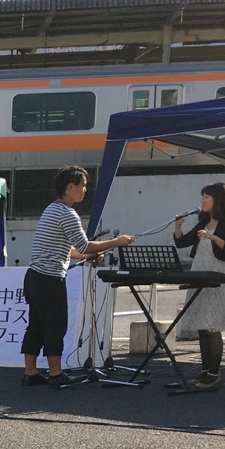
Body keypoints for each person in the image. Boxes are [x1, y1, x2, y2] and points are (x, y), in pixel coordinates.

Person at [22, 166, 134, 388]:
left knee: (36, 325)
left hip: (34, 277)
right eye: (82, 185)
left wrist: (89, 255)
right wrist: (116, 242)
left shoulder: (51, 209)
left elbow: (70, 250)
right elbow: (84, 245)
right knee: (55, 326)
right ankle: (56, 374)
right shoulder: (67, 213)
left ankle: (30, 373)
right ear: (69, 187)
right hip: (50, 279)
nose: (85, 190)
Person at [172, 182, 225, 391]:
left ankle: (214, 374)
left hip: (218, 275)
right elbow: (182, 242)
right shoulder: (203, 222)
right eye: (202, 197)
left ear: (218, 200)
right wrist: (178, 226)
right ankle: (204, 371)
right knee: (202, 326)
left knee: (212, 326)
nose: (203, 201)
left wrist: (213, 237)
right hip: (200, 274)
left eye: (207, 197)